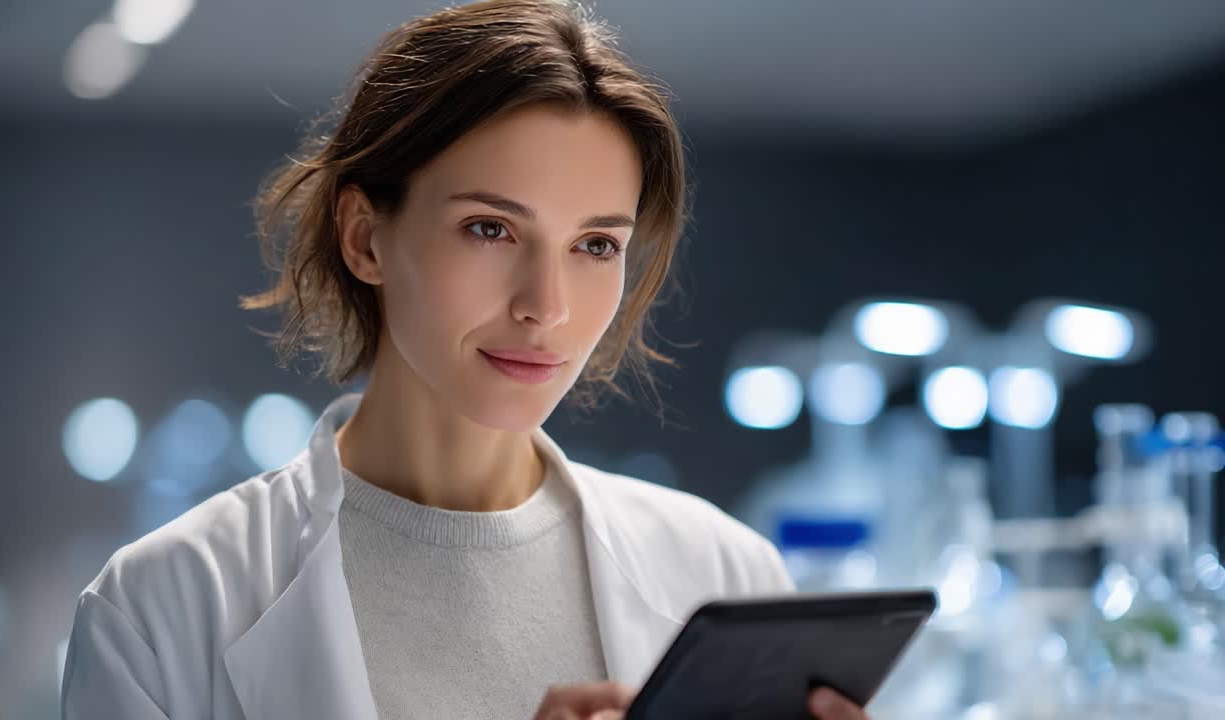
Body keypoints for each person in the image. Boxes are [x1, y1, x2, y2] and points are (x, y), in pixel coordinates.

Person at [60, 1, 871, 718]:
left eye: (595, 244)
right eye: (491, 228)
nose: (546, 305)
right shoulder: (162, 607)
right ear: (364, 236)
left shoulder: (724, 574)